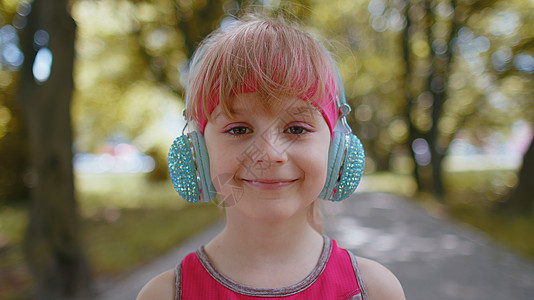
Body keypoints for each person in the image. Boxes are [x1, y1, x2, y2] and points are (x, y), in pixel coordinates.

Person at [137, 14, 405, 300]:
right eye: (239, 129)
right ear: (199, 151)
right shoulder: (164, 295)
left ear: (336, 149)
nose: (269, 154)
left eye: (296, 129)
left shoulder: (375, 290)